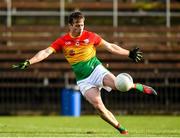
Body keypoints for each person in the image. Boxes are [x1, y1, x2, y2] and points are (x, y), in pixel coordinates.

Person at [12, 11, 157, 135]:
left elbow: (110, 46)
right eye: (77, 25)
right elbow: (45, 52)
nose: (80, 28)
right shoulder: (63, 41)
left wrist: (129, 53)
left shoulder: (91, 36)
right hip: (83, 80)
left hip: (97, 70)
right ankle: (121, 129)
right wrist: (29, 61)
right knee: (98, 107)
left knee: (119, 86)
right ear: (70, 25)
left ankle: (136, 86)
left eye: (82, 25)